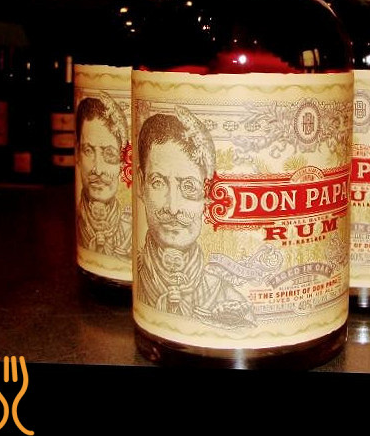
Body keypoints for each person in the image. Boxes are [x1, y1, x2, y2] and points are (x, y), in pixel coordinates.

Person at [135, 107, 255, 329]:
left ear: (208, 195)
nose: (173, 208)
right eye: (158, 182)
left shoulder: (228, 298)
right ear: (141, 185)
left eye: (189, 187)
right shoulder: (138, 275)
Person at [75, 93, 131, 262]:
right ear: (77, 154)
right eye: (88, 151)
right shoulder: (78, 220)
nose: (97, 170)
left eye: (109, 154)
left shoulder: (129, 229)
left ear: (123, 160)